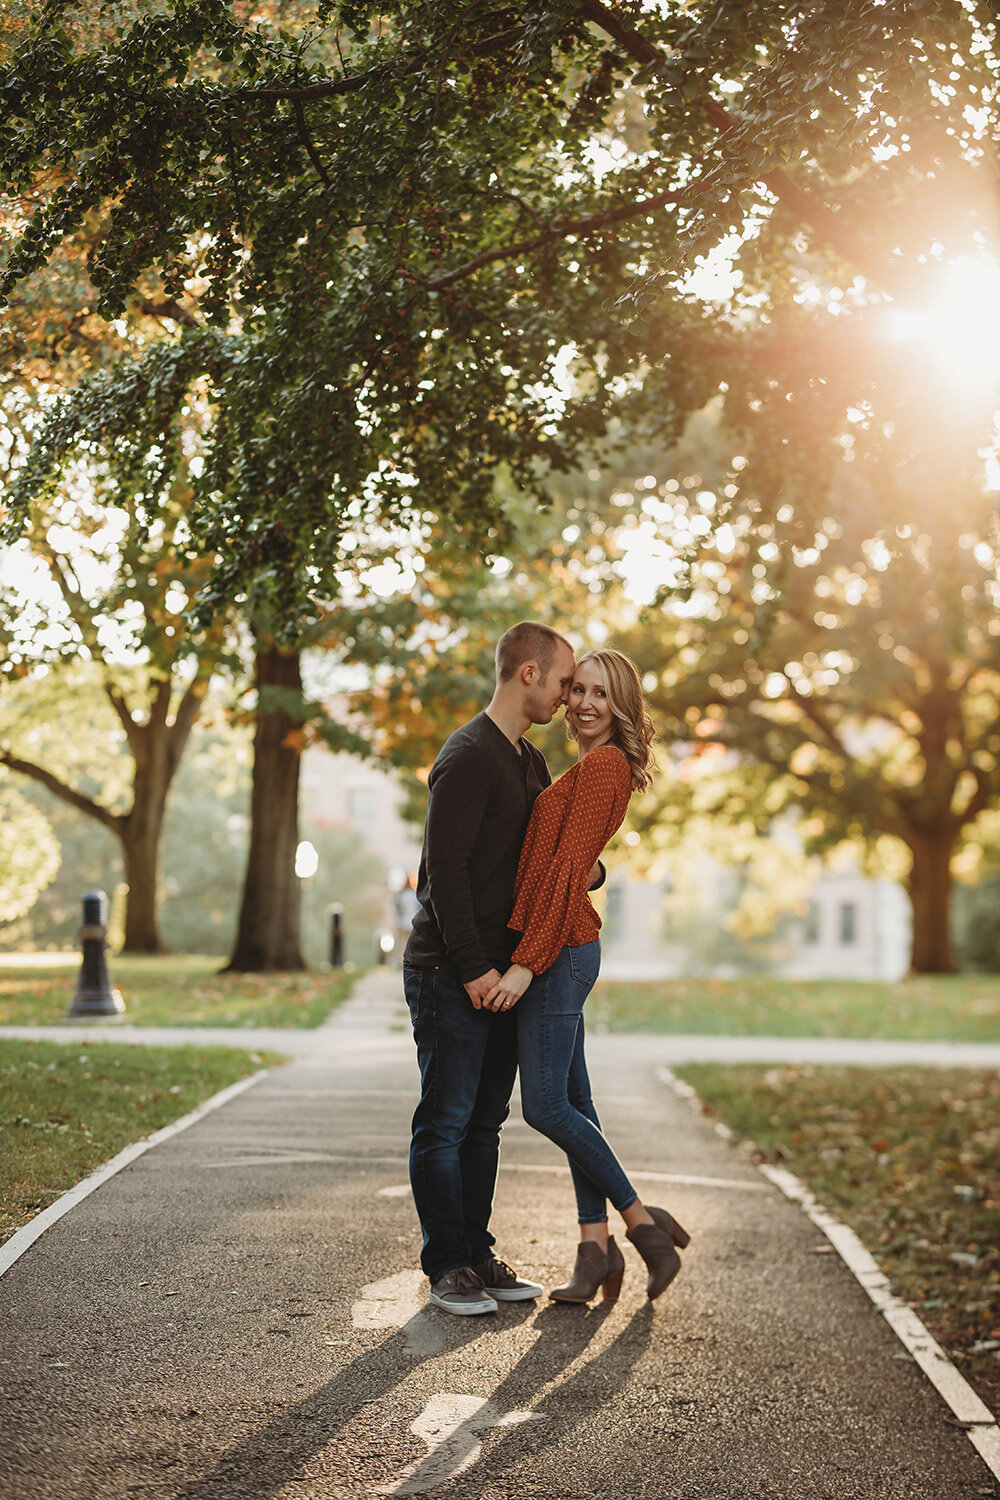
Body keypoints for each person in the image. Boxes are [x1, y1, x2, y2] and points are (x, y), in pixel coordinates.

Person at [483, 649, 691, 1304]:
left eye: (601, 693)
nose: (584, 704)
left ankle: (643, 1225)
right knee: (576, 1103)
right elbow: (573, 866)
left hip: (561, 949)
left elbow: (568, 873)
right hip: (562, 943)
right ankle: (593, 1247)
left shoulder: (604, 767)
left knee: (545, 1106)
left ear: (622, 704)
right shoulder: (591, 765)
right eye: (577, 690)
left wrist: (525, 963)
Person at [402, 620, 577, 1316]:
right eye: (564, 680)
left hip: (501, 976)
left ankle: (476, 1254)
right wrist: (474, 968)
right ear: (527, 672)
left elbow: (537, 854)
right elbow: (442, 875)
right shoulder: (469, 755)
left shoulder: (528, 761)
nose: (568, 696)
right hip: (450, 972)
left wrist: (583, 873)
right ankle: (446, 1265)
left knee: (484, 1122)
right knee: (445, 1118)